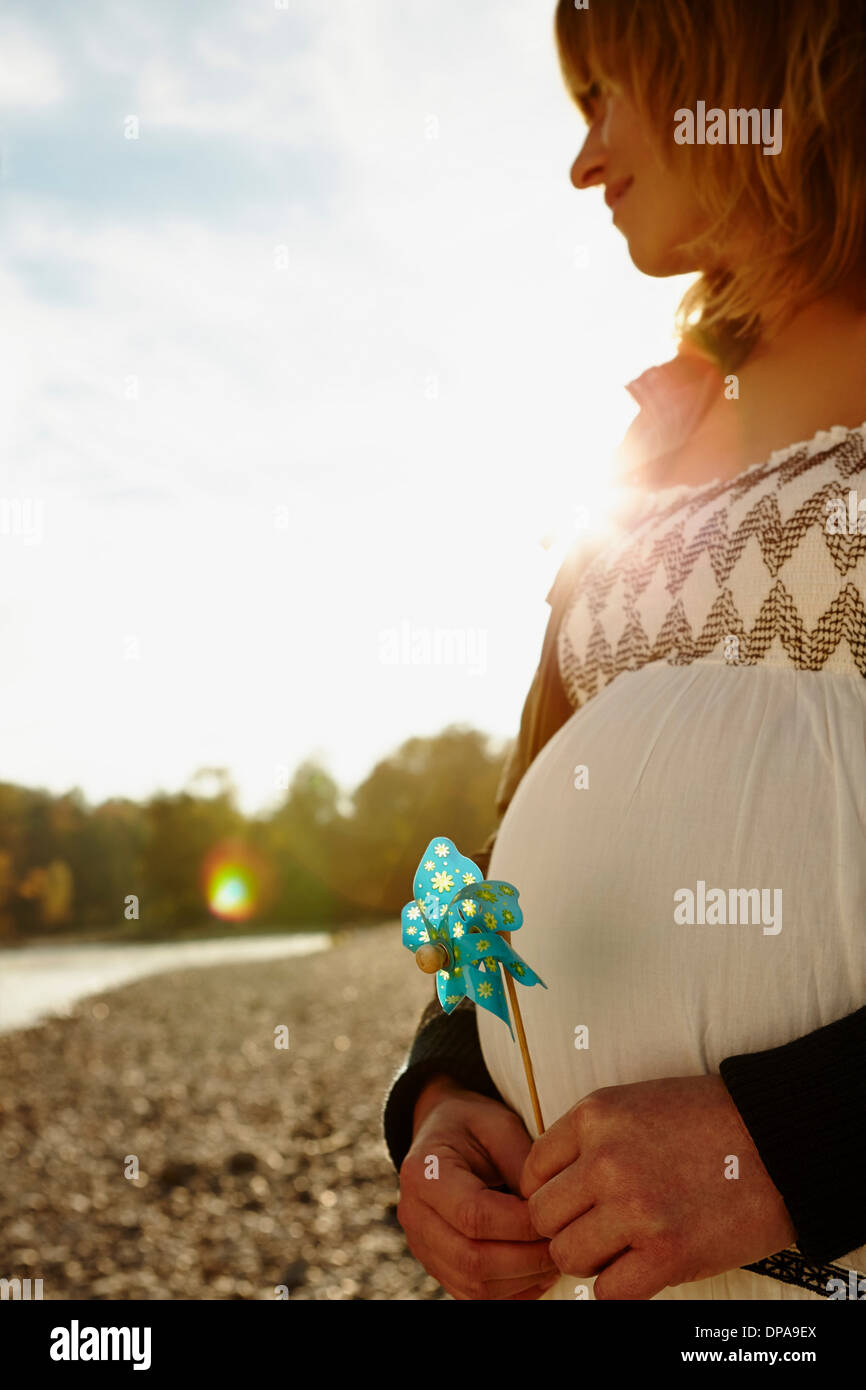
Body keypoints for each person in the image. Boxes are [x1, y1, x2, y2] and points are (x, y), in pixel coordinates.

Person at [383, 0, 866, 1301]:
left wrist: (793, 1142)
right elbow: (534, 803)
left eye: (605, 93)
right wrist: (446, 1090)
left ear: (735, 55)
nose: (583, 160)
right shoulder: (658, 422)